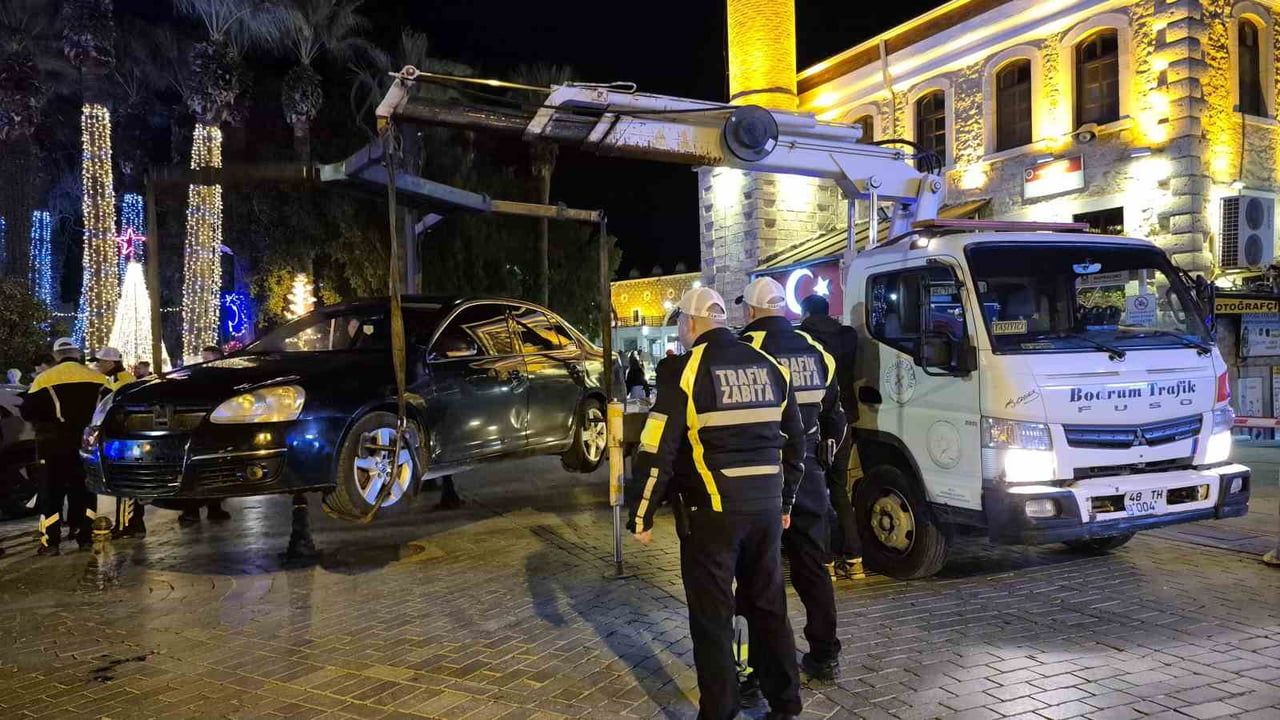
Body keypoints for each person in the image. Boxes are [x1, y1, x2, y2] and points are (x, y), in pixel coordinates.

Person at [627, 286, 805, 720]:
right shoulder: (770, 367)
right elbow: (798, 443)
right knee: (769, 608)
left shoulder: (685, 371)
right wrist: (785, 503)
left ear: (689, 324)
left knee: (713, 618)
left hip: (713, 513)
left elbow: (656, 449)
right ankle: (785, 703)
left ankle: (720, 711)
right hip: (764, 510)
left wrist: (641, 514)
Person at [736, 279, 846, 688]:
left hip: (761, 478)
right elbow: (837, 417)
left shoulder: (743, 351)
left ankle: (753, 669)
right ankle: (825, 654)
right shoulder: (818, 352)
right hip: (811, 477)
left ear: (750, 311)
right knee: (812, 565)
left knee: (755, 573)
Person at [20, 337, 107, 554]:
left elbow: (27, 411)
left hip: (53, 445)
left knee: (51, 492)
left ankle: (51, 542)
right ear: (77, 354)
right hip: (86, 445)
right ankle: (84, 536)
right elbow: (109, 410)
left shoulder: (44, 380)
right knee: (85, 490)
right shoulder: (99, 379)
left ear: (56, 356)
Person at [799, 294, 862, 577]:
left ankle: (824, 558)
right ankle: (854, 557)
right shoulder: (848, 336)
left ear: (805, 312)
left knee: (816, 490)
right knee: (839, 489)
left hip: (815, 420)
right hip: (846, 418)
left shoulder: (803, 340)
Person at [91, 347, 146, 538]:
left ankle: (127, 525)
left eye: (100, 362)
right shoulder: (126, 379)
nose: (97, 366)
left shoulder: (118, 382)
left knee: (125, 483)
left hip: (123, 438)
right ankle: (133, 524)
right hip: (129, 437)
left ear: (111, 363)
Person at [180, 344, 231, 525]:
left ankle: (210, 507)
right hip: (201, 428)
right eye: (204, 359)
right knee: (199, 469)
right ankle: (195, 509)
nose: (204, 362)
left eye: (208, 358)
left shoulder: (221, 376)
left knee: (213, 469)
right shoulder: (204, 376)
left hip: (214, 428)